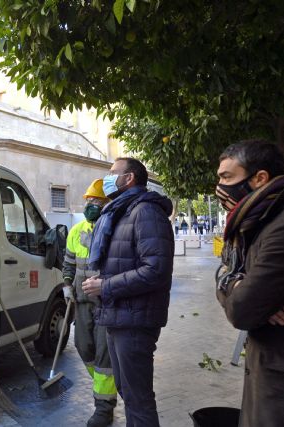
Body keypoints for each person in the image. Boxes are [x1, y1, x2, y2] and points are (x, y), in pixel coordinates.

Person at [215, 140, 284, 426]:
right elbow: (224, 270)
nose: (220, 187)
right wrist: (240, 283)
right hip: (271, 376)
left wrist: (248, 293)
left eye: (227, 177)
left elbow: (242, 310)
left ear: (260, 178)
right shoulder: (256, 224)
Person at [81, 157, 174, 427]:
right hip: (118, 315)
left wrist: (105, 285)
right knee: (127, 392)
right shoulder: (121, 211)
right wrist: (103, 279)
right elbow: (127, 262)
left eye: (112, 173)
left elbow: (155, 269)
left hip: (135, 321)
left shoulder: (146, 212)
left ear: (129, 178)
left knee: (138, 398)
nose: (107, 179)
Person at [62, 179, 117, 427]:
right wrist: (66, 284)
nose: (91, 205)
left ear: (107, 204)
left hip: (106, 303)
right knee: (84, 348)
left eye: (96, 201)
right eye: (89, 201)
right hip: (82, 302)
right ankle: (103, 387)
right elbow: (69, 263)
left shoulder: (114, 229)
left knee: (105, 355)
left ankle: (104, 407)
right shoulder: (76, 231)